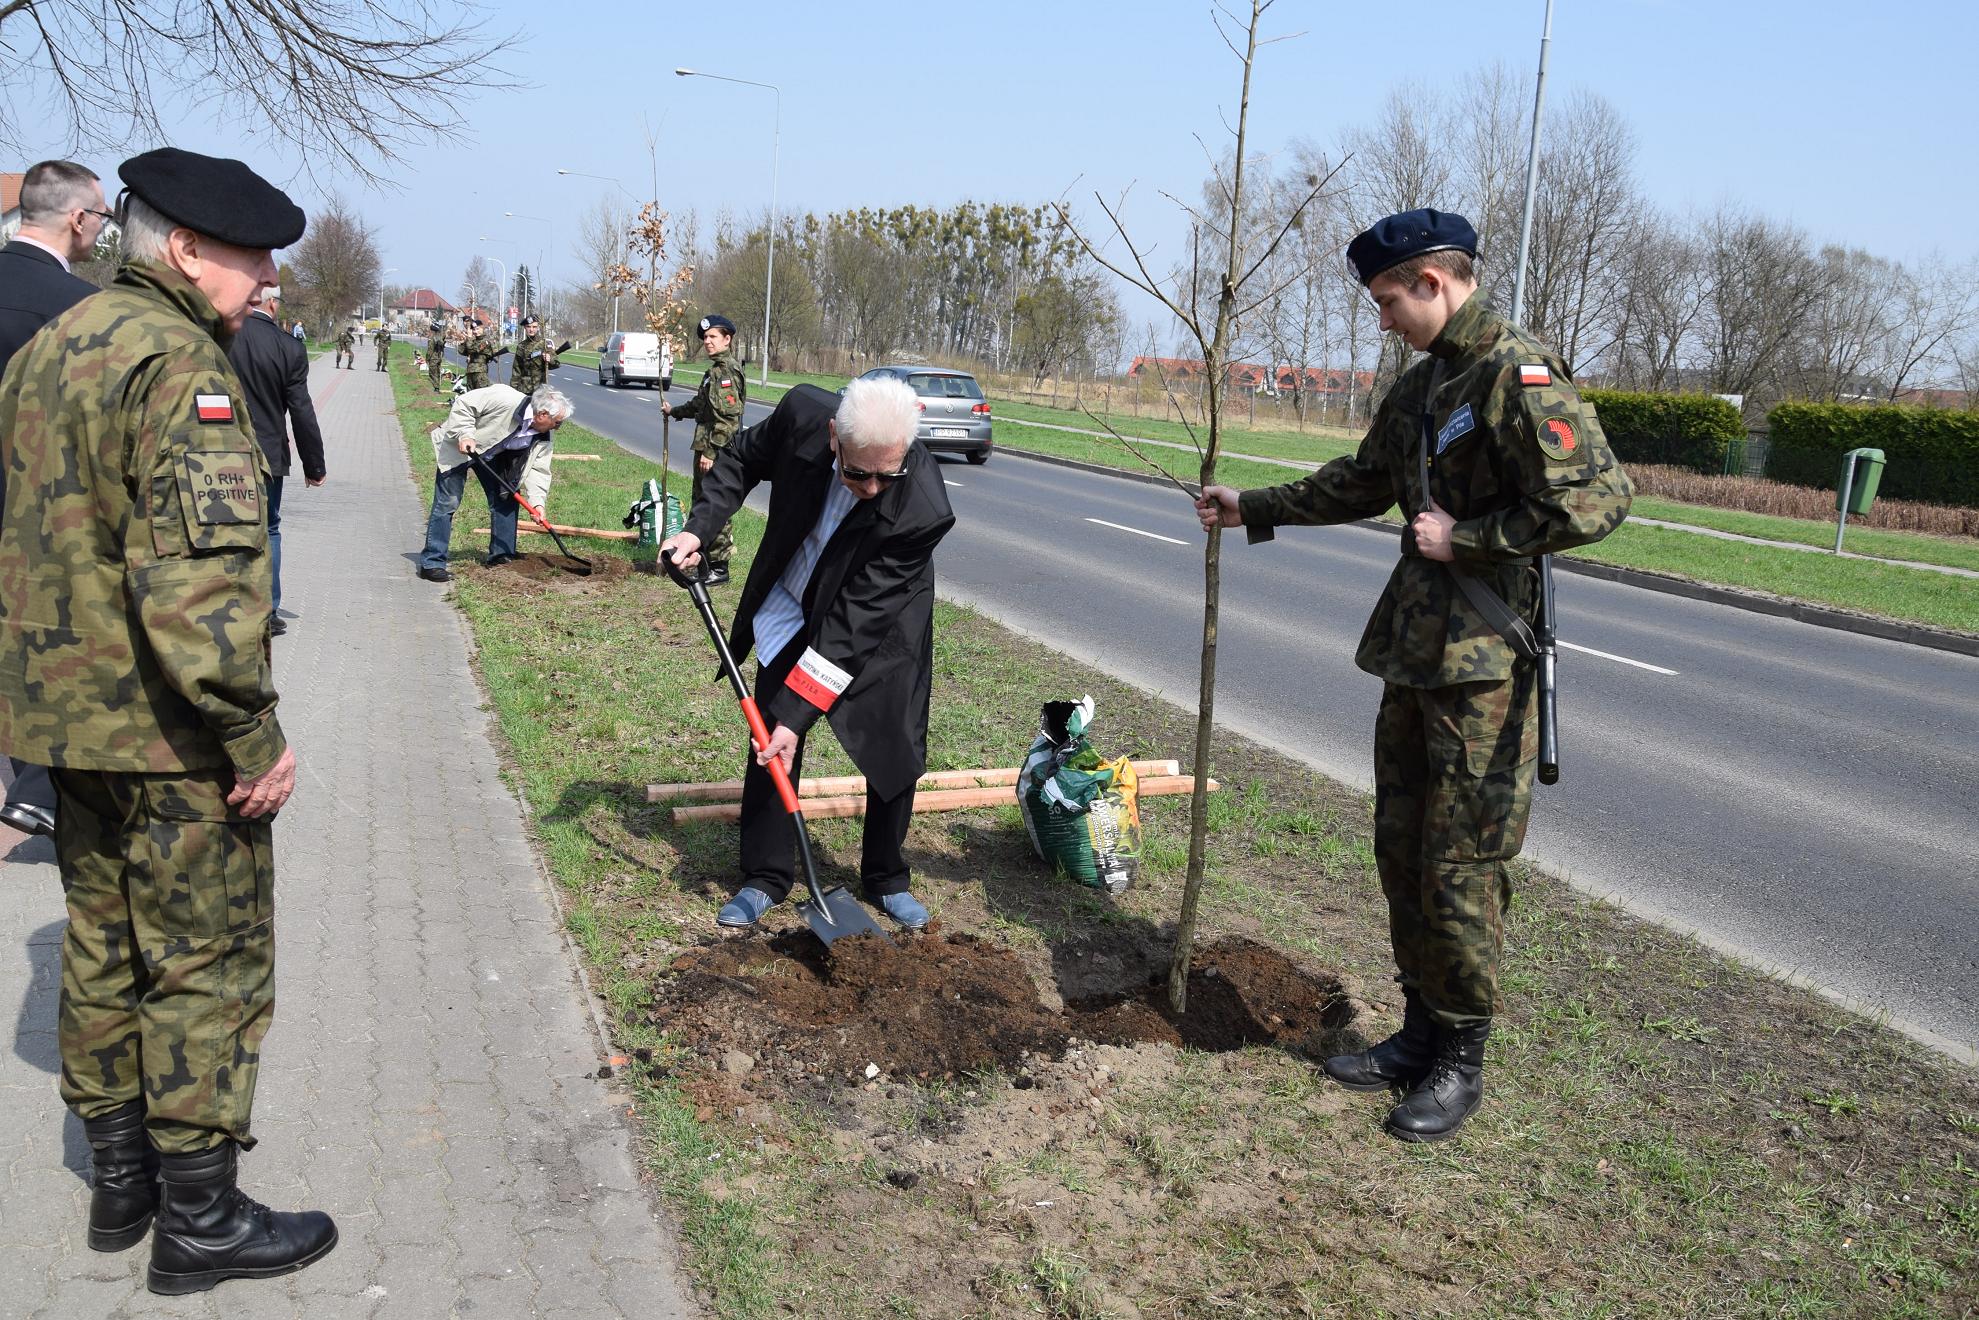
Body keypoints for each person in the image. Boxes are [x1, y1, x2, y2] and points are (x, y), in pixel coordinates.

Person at [1195, 209, 1632, 1143]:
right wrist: (1251, 507)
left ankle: (1460, 1061)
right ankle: (1418, 1032)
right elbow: (1361, 480)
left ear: (1433, 283)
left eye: (1390, 300)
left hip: (1483, 673)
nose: (1383, 319)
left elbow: (1600, 499)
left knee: (1459, 868)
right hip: (1414, 654)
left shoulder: (1517, 374)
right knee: (1401, 850)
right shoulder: (1424, 384)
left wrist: (1467, 538)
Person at [0, 146, 337, 1293]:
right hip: (170, 737)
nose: (264, 282)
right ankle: (201, 1223)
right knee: (204, 965)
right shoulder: (179, 364)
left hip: (63, 727)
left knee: (100, 950)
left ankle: (122, 1189)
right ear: (187, 250)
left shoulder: (58, 343)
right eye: (252, 259)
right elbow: (198, 593)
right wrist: (255, 740)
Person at [660, 377, 955, 931]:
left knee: (895, 738)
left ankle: (887, 875)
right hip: (796, 593)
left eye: (886, 474)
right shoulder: (800, 415)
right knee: (771, 731)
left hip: (879, 618)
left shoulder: (923, 507)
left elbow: (851, 628)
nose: (871, 487)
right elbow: (737, 461)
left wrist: (804, 713)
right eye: (857, 471)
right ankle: (766, 876)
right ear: (832, 438)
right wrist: (699, 529)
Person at [0, 158, 109, 839]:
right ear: (77, 220)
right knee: (46, 650)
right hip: (36, 513)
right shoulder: (84, 312)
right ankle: (37, 787)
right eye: (100, 216)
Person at [226, 285, 327, 637]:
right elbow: (301, 410)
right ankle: (267, 611)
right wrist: (314, 466)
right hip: (268, 455)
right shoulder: (289, 348)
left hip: (218, 452)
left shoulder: (220, 335)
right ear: (272, 302)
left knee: (224, 530)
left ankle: (227, 607)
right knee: (268, 529)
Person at [416, 382, 572, 582]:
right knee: (448, 502)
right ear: (542, 414)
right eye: (557, 422)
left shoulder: (544, 436)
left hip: (492, 456)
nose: (558, 427)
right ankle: (432, 562)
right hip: (461, 448)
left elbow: (539, 469)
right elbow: (463, 404)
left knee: (506, 498)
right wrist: (465, 435)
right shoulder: (504, 398)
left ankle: (501, 557)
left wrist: (538, 503)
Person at [660, 314, 745, 584]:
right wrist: (674, 411)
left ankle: (719, 567)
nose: (707, 342)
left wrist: (711, 452)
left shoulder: (726, 373)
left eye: (713, 337)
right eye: (705, 338)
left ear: (727, 339)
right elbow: (700, 405)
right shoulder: (714, 371)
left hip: (716, 450)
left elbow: (729, 419)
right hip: (707, 446)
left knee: (714, 504)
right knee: (702, 502)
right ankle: (705, 560)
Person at [509, 314, 560, 395]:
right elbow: (517, 369)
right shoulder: (521, 346)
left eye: (534, 327)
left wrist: (549, 359)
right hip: (524, 389)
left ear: (538, 327)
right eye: (529, 327)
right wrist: (513, 389)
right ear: (525, 328)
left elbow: (556, 363)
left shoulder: (545, 344)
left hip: (540, 389)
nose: (531, 329)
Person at [458, 320, 505, 391]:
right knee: (470, 395)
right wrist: (464, 341)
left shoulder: (486, 341)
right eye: (473, 329)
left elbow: (472, 350)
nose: (475, 332)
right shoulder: (473, 340)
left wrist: (469, 338)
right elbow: (462, 351)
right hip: (470, 370)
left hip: (480, 372)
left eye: (477, 329)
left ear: (482, 328)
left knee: (481, 394)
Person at [426, 316, 448, 390]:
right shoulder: (440, 336)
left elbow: (430, 350)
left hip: (433, 357)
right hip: (439, 357)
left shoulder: (432, 338)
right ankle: (438, 385)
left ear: (432, 330)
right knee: (438, 371)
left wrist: (427, 359)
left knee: (432, 373)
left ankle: (436, 387)